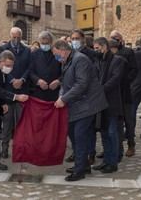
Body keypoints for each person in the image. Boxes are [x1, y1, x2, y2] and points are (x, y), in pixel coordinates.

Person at [52, 40, 108, 182]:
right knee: (74, 134)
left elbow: (81, 84)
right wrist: (61, 91)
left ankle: (80, 170)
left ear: (63, 50)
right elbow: (66, 81)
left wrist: (63, 99)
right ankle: (83, 164)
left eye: (56, 54)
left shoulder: (80, 60)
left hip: (87, 104)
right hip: (77, 104)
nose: (56, 58)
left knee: (79, 136)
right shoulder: (68, 60)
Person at [65, 29, 99, 164]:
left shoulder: (91, 54)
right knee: (73, 129)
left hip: (87, 97)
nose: (74, 41)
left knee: (87, 130)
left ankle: (90, 153)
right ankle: (77, 152)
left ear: (83, 39)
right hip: (73, 97)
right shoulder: (71, 54)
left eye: (76, 38)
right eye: (72, 38)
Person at [0, 27, 31, 158]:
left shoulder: (27, 50)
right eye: (14, 37)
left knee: (21, 123)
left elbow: (29, 67)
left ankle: (20, 149)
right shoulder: (3, 48)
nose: (16, 40)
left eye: (18, 37)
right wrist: (12, 80)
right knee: (7, 123)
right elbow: (0, 67)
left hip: (22, 91)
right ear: (10, 36)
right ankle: (4, 149)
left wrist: (22, 79)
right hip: (8, 90)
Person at [92, 37, 124, 173]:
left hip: (111, 102)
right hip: (101, 103)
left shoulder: (118, 61)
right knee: (104, 133)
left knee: (112, 133)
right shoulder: (99, 60)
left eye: (97, 48)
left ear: (104, 46)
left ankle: (113, 162)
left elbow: (115, 79)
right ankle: (106, 160)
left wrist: (101, 89)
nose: (96, 51)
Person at [110, 30, 138, 157]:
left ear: (121, 39)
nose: (114, 39)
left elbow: (134, 69)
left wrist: (126, 81)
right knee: (116, 121)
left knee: (128, 120)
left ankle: (131, 145)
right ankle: (117, 147)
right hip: (114, 93)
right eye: (112, 37)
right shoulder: (109, 52)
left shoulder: (128, 52)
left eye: (116, 37)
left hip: (125, 92)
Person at [29, 31, 61, 102]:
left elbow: (64, 70)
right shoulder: (34, 54)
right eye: (42, 43)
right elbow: (30, 71)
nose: (44, 45)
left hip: (54, 93)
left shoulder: (57, 54)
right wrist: (38, 81)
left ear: (51, 42)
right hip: (38, 93)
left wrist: (58, 81)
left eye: (47, 43)